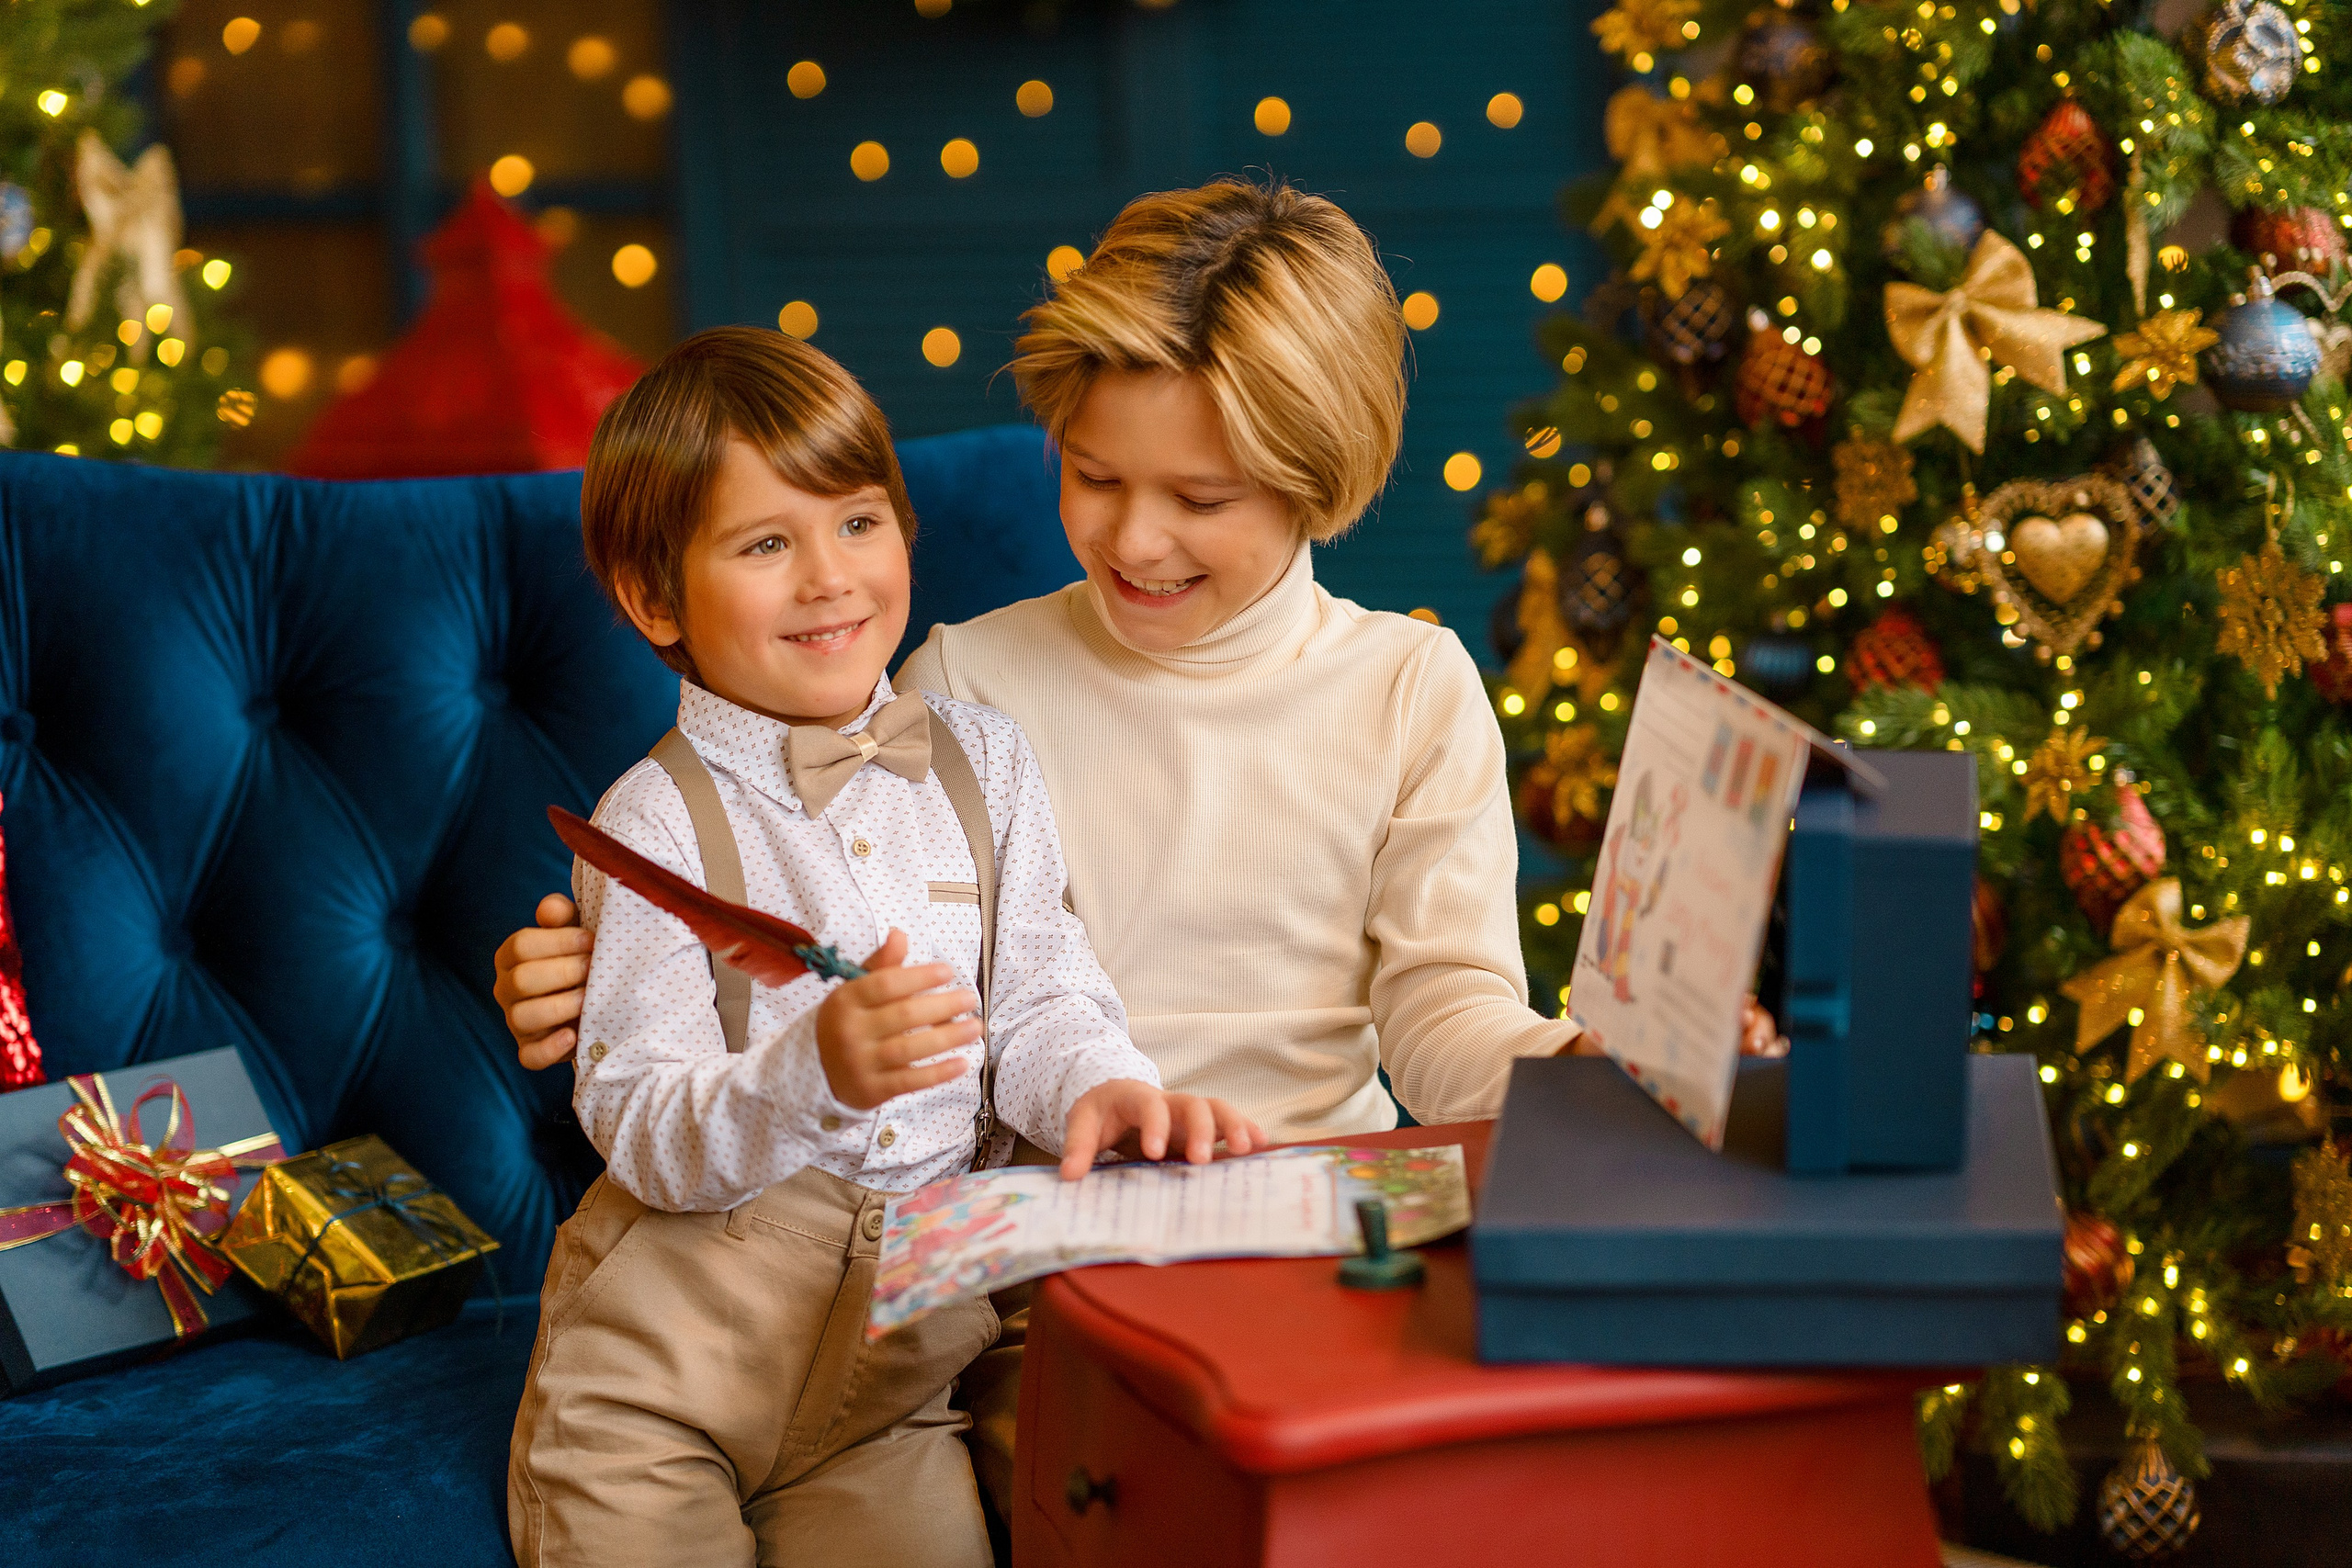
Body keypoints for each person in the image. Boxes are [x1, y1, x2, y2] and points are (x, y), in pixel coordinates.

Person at [496, 179, 1777, 1528]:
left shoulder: (1410, 684)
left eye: (1200, 498)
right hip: (1045, 1271)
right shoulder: (965, 683)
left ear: (1317, 479)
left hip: (1316, 1239)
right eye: (1094, 478)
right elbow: (778, 900)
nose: (1133, 538)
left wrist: (1582, 1070)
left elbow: (1445, 1017)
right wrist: (593, 957)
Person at [506, 326, 1258, 1568]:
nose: (829, 578)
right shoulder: (651, 822)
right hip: (662, 1385)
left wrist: (1102, 1084)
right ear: (653, 598)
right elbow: (640, 1119)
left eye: (858, 522)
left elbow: (1041, 998)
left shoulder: (987, 761)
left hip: (890, 1380)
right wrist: (813, 1073)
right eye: (764, 544)